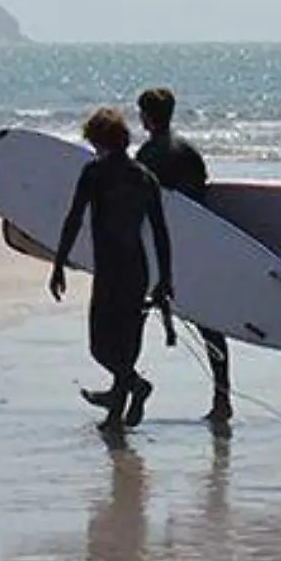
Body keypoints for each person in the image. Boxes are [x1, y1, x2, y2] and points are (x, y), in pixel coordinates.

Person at [49, 106, 173, 432]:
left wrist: (59, 263)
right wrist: (164, 279)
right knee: (125, 344)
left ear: (99, 141)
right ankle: (123, 402)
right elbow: (161, 233)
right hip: (138, 270)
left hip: (111, 270)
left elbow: (74, 219)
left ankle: (129, 395)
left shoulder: (94, 173)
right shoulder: (145, 177)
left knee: (101, 345)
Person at [133, 86, 233, 424]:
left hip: (163, 251)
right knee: (210, 325)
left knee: (132, 317)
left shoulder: (147, 155)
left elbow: (141, 208)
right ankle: (223, 399)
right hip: (198, 245)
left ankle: (125, 387)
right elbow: (201, 203)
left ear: (146, 116)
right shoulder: (190, 152)